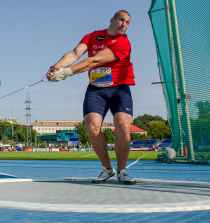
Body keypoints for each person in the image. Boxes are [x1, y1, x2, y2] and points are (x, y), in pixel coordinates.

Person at [46, 10, 136, 184]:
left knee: (123, 126)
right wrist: (56, 68)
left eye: (128, 23)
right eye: (121, 20)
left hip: (119, 88)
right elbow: (74, 54)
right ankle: (107, 169)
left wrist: (66, 73)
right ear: (112, 20)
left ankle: (122, 171)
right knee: (93, 127)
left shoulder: (123, 43)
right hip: (96, 90)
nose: (124, 24)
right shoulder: (92, 36)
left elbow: (94, 61)